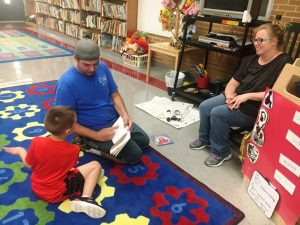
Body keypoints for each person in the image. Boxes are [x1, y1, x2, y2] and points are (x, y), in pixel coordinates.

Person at [189, 23, 293, 167]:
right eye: (255, 40)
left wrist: (247, 96)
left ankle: (221, 152)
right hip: (238, 97)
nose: (256, 44)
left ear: (274, 41)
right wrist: (230, 96)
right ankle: (204, 139)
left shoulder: (284, 62)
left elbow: (276, 94)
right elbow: (232, 83)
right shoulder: (250, 59)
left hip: (256, 107)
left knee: (218, 114)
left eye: (260, 40)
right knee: (205, 106)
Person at [55, 39, 150, 164]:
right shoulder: (66, 83)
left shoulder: (103, 68)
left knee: (144, 141)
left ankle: (109, 142)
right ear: (76, 59)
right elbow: (65, 122)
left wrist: (125, 115)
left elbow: (114, 94)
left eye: (95, 63)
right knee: (134, 155)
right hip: (93, 129)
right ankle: (88, 144)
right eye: (86, 65)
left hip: (115, 121)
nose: (92, 69)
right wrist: (96, 135)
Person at [2, 106, 106, 218]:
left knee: (88, 172)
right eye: (75, 124)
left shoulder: (36, 142)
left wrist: (20, 150)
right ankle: (86, 198)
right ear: (67, 131)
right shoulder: (73, 150)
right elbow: (70, 171)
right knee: (96, 165)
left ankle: (89, 180)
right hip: (57, 194)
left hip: (37, 189)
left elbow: (29, 164)